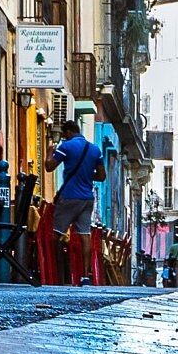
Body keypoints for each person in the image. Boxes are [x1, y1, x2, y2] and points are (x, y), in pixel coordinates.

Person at [44, 122, 109, 285]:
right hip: (87, 198)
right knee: (84, 235)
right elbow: (102, 176)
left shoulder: (66, 147)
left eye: (64, 134)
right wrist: (86, 176)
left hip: (70, 197)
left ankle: (57, 273)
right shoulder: (95, 150)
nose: (64, 137)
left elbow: (49, 167)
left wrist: (48, 153)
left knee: (56, 234)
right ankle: (85, 275)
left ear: (69, 132)